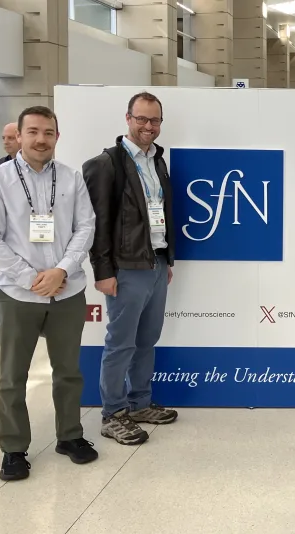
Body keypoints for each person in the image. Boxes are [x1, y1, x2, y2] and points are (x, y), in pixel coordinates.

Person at [0, 106, 98, 481]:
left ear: (57, 137)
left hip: (67, 290)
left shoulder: (71, 179)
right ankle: (13, 448)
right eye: (33, 132)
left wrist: (61, 270)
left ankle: (70, 436)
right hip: (18, 294)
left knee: (68, 371)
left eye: (48, 132)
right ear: (20, 135)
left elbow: (86, 227)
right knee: (13, 375)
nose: (41, 139)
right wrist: (32, 278)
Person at [83, 92, 178, 446]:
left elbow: (161, 213)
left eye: (154, 120)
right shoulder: (106, 164)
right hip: (124, 268)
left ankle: (140, 403)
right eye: (142, 119)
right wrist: (102, 271)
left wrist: (165, 257)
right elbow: (98, 224)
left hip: (155, 263)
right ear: (127, 119)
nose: (148, 127)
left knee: (147, 340)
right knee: (121, 344)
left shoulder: (157, 161)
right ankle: (113, 414)